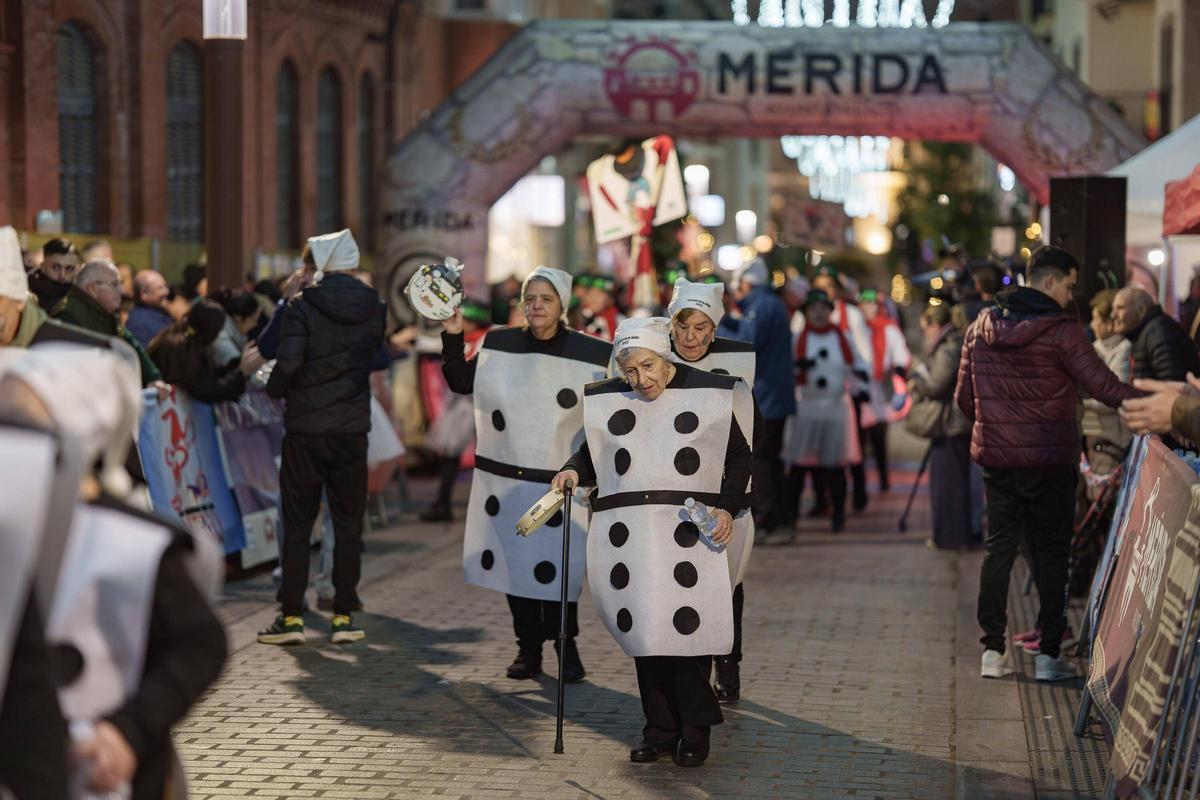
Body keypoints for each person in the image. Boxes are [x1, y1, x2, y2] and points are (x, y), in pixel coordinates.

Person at [0, 343, 227, 800]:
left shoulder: (131, 541)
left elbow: (201, 642)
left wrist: (129, 729)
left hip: (105, 775)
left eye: (20, 423)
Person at [552, 316, 753, 768]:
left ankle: (695, 730)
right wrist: (571, 469)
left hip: (689, 537)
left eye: (646, 366)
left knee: (687, 634)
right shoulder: (614, 399)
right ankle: (659, 729)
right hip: (637, 539)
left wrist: (724, 507)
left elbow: (739, 457)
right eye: (629, 372)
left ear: (664, 358)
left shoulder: (707, 392)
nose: (639, 380)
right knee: (647, 632)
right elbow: (593, 452)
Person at [956, 246, 1140, 682]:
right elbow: (1106, 387)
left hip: (999, 462)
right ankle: (1048, 655)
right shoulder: (1062, 332)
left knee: (999, 549)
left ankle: (992, 652)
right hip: (1050, 459)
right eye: (1070, 286)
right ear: (1051, 281)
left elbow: (965, 400)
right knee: (1052, 551)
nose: (1070, 296)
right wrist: (1165, 405)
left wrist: (999, 426)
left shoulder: (980, 327)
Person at [441, 266, 611, 682]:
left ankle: (565, 646)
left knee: (560, 571)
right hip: (507, 480)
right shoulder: (499, 344)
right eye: (529, 298)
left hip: (559, 485)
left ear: (562, 306)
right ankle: (528, 649)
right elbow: (464, 382)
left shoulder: (590, 353)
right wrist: (452, 334)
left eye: (546, 299)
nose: (536, 306)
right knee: (516, 569)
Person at [258, 229, 385, 646]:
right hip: (351, 430)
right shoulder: (374, 306)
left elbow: (287, 360)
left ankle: (291, 617)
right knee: (348, 524)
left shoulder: (303, 305)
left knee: (297, 523)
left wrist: (274, 389)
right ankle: (344, 616)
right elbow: (376, 358)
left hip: (306, 430)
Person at [667, 277, 760, 705]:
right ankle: (691, 671)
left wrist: (735, 498)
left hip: (726, 495)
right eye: (683, 327)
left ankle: (728, 663)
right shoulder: (654, 364)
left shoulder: (738, 371)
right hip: (675, 497)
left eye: (701, 328)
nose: (690, 337)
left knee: (728, 586)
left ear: (714, 330)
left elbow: (751, 440)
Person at [721, 258, 795, 536]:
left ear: (746, 283)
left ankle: (770, 520)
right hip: (774, 394)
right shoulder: (768, 304)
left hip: (768, 396)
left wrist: (720, 323)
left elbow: (746, 343)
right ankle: (782, 518)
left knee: (764, 461)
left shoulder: (761, 306)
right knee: (771, 460)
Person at [782, 289, 864, 534]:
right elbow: (786, 371)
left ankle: (838, 516)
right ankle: (791, 517)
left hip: (835, 406)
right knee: (798, 466)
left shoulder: (844, 338)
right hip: (806, 405)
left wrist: (862, 386)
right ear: (806, 312)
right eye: (813, 308)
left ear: (830, 311)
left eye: (823, 308)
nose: (818, 313)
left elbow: (857, 365)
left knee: (835, 466)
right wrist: (797, 368)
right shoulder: (797, 339)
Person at [420, 298, 491, 522]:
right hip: (464, 404)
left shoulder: (486, 339)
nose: (466, 323)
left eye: (469, 319)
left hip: (477, 404)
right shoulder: (471, 338)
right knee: (450, 455)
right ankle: (443, 501)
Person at [909, 303, 973, 549]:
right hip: (953, 422)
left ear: (935, 325)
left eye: (925, 328)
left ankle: (952, 537)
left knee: (949, 484)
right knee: (949, 482)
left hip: (951, 423)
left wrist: (920, 381)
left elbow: (937, 385)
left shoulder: (947, 348)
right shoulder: (952, 343)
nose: (924, 333)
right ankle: (951, 535)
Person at [812, 266, 873, 510]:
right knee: (817, 449)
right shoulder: (803, 315)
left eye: (828, 287)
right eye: (819, 287)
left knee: (852, 446)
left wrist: (861, 384)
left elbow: (863, 354)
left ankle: (859, 493)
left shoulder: (852, 315)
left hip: (847, 393)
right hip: (815, 395)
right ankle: (820, 499)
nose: (824, 292)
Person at [51, 259, 163, 386]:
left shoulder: (103, 312)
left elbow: (129, 342)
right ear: (93, 288)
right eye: (115, 284)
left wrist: (153, 378)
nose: (121, 290)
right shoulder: (67, 316)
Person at [148, 300, 262, 403]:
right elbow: (204, 389)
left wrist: (238, 364)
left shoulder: (191, 342)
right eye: (217, 331)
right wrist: (241, 373)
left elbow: (208, 376)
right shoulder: (179, 348)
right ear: (210, 331)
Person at [858, 288, 911, 492]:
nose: (868, 308)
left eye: (872, 304)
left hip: (880, 390)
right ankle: (860, 484)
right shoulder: (856, 325)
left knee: (879, 438)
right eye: (865, 303)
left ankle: (883, 479)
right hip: (861, 388)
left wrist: (897, 370)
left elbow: (901, 355)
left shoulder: (888, 328)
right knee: (859, 440)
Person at [1082, 290, 1132, 479]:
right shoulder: (1096, 347)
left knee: (1105, 496)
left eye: (1096, 318)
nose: (1092, 324)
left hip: (1114, 439)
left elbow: (1115, 395)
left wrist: (1081, 400)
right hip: (1094, 433)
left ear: (1110, 322)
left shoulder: (1124, 349)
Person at [1112, 284, 1200, 382]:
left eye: (1120, 308)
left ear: (1141, 310)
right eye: (1113, 309)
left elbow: (1171, 384)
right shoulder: (1147, 331)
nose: (1113, 315)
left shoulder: (1158, 333)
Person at [209, 287, 264, 368]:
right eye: (253, 320)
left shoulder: (230, 331)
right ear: (238, 318)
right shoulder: (222, 339)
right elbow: (238, 368)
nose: (255, 324)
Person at [28, 237, 79, 311]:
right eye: (56, 268)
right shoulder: (30, 296)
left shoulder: (80, 296)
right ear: (43, 267)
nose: (62, 275)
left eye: (69, 269)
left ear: (77, 270)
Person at [126, 269, 173, 347]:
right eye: (160, 288)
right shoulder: (138, 323)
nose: (166, 291)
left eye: (165, 286)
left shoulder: (160, 313)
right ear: (144, 294)